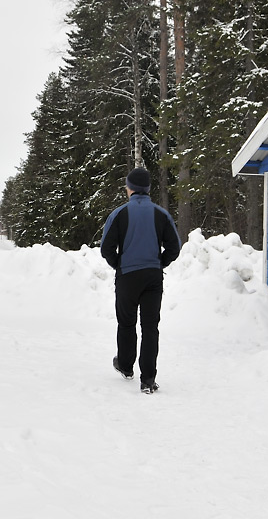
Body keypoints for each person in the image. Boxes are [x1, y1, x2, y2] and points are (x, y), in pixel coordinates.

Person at [100, 167, 181, 394]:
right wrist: (159, 263)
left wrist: (119, 264)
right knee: (150, 327)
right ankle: (148, 379)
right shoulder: (161, 214)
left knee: (126, 323)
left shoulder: (119, 214)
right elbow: (174, 247)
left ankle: (126, 367)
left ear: (130, 189)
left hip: (127, 276)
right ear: (147, 190)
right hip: (152, 278)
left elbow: (106, 247)